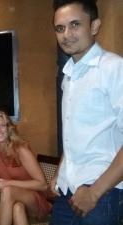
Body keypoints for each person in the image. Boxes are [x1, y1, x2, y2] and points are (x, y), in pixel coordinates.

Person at [50, 0, 123, 224]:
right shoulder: (69, 76)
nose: (66, 34)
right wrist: (60, 172)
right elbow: (74, 134)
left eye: (74, 25)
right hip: (67, 190)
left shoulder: (113, 68)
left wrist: (94, 192)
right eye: (60, 28)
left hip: (102, 192)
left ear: (94, 26)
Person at [0, 110, 52, 225]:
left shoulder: (21, 149)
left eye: (2, 126)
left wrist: (8, 183)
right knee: (17, 208)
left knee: (7, 190)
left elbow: (42, 185)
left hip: (34, 199)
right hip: (13, 200)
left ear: (9, 127)